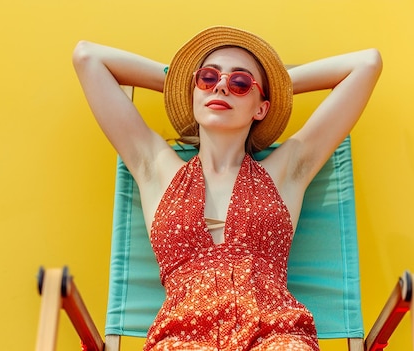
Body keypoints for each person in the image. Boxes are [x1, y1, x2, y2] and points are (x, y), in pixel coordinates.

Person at [72, 26, 382, 351]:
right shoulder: (156, 169)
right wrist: (182, 81)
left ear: (261, 107)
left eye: (239, 82)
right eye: (208, 77)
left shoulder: (285, 172)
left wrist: (276, 85)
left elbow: (366, 65)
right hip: (181, 340)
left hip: (275, 335)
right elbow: (87, 57)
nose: (221, 85)